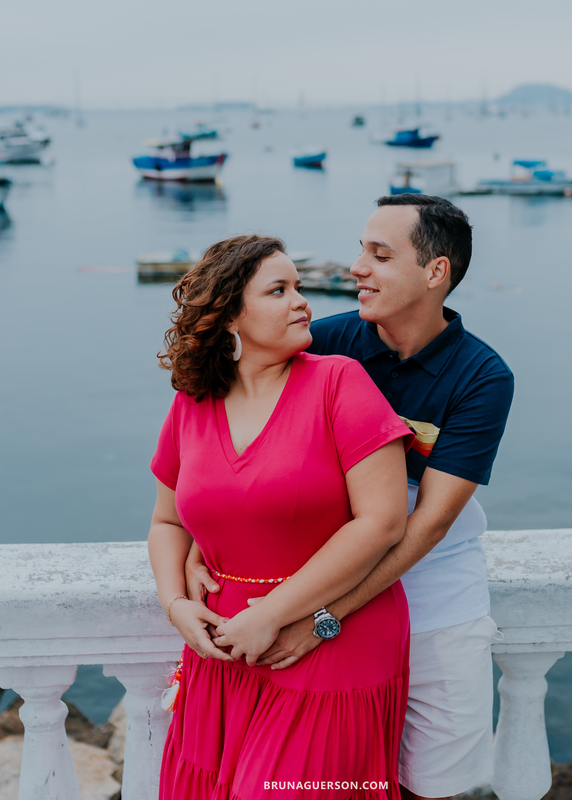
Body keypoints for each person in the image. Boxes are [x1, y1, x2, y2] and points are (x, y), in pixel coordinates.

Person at [188, 196, 514, 800]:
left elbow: (425, 525)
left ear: (435, 272)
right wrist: (196, 541)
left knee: (438, 786)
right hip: (323, 591)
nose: (355, 268)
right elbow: (227, 437)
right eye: (361, 249)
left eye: (379, 255)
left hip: (434, 602)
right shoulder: (328, 343)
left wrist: (325, 619)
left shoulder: (481, 376)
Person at [148, 234, 413, 799]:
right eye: (279, 290)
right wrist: (176, 607)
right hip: (223, 647)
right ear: (229, 317)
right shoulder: (193, 402)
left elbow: (383, 522)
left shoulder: (340, 381)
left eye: (297, 287)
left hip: (329, 635)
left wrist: (274, 613)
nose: (302, 301)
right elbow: (167, 523)